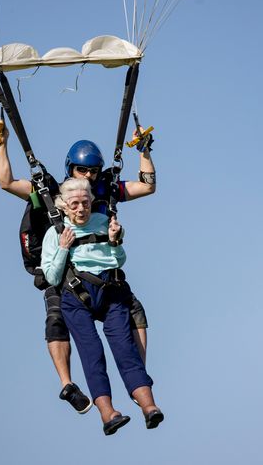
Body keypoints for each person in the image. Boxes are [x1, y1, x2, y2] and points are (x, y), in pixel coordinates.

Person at [0, 124, 156, 414]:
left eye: (93, 171)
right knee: (56, 318)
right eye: (82, 171)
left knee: (135, 311)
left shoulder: (104, 191)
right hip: (63, 271)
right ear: (71, 169)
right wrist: (2, 146)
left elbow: (146, 185)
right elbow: (7, 182)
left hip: (103, 274)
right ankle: (67, 384)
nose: (88, 176)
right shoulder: (51, 192)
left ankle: (137, 378)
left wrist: (144, 151)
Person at [41, 178, 163, 435]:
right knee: (92, 352)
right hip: (76, 297)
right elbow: (51, 278)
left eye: (85, 203)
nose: (81, 209)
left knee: (125, 348)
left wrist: (115, 241)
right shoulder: (55, 233)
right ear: (64, 206)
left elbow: (119, 260)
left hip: (110, 292)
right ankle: (108, 414)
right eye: (75, 204)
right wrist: (63, 248)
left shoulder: (104, 222)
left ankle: (149, 407)